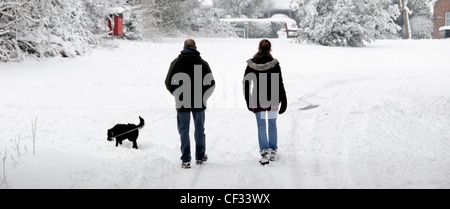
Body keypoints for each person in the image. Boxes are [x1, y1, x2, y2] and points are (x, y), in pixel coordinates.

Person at [165, 39, 215, 169]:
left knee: (183, 130)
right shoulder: (203, 64)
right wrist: (204, 98)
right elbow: (211, 84)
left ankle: (186, 159)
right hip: (199, 103)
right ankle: (200, 156)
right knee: (199, 130)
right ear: (196, 47)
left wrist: (177, 95)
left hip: (182, 103)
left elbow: (168, 82)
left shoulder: (175, 63)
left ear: (183, 47)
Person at [243, 39, 287, 166]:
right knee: (272, 124)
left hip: (258, 98)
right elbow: (279, 82)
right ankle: (273, 150)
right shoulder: (275, 64)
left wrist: (248, 99)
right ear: (270, 50)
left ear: (258, 49)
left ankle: (264, 152)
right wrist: (284, 99)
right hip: (273, 98)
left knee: (261, 126)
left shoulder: (252, 64)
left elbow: (246, 83)